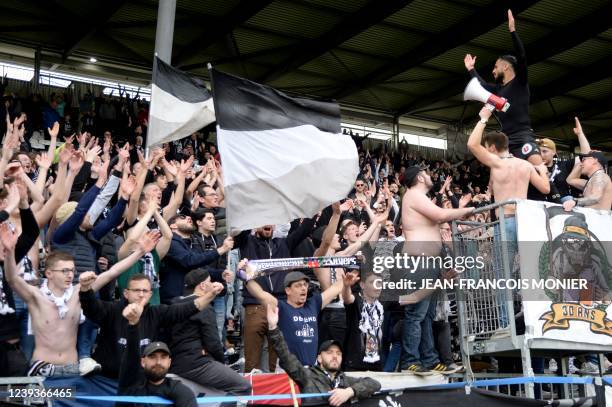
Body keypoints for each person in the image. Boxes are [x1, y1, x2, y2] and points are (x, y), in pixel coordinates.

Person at [78, 235, 224, 379]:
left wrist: (210, 295)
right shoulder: (112, 310)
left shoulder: (157, 313)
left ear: (150, 294)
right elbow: (90, 307)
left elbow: (190, 307)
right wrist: (85, 288)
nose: (141, 295)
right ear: (126, 293)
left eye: (145, 291)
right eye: (136, 290)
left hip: (142, 381)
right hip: (107, 379)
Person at [468, 105, 550, 335]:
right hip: (525, 222)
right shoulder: (524, 164)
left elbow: (471, 145)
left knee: (502, 276)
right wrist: (542, 169)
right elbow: (545, 187)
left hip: (505, 223)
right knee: (529, 273)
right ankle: (535, 322)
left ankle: (506, 325)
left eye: (487, 149)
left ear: (492, 148)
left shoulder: (497, 163)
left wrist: (483, 118)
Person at [399, 165, 475, 375]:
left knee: (427, 315)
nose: (430, 175)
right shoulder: (413, 195)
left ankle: (429, 360)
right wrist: (467, 210)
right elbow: (441, 215)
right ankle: (410, 361)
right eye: (427, 172)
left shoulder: (418, 197)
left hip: (429, 262)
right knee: (416, 314)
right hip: (419, 261)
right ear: (420, 177)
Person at [464, 10, 542, 165]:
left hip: (523, 136)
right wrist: (471, 69)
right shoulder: (498, 90)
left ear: (506, 67)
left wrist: (513, 31)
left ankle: (554, 190)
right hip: (506, 140)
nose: (493, 71)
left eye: (495, 67)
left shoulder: (520, 82)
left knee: (537, 166)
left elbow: (522, 57)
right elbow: (482, 86)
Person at [266, 303, 381, 406]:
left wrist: (349, 392)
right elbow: (286, 357)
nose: (335, 356)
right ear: (319, 358)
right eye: (329, 352)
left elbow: (374, 383)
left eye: (338, 353)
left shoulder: (345, 380)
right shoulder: (307, 375)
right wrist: (273, 328)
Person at [243, 264, 357, 367]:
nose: (303, 288)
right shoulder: (281, 307)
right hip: (288, 370)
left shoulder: (314, 304)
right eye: (298, 285)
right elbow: (259, 293)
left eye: (305, 285)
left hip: (310, 370)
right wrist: (244, 275)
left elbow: (336, 287)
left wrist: (355, 270)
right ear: (288, 290)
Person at [169, 268, 251, 395]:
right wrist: (222, 363)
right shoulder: (205, 308)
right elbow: (213, 343)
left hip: (174, 364)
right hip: (197, 364)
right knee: (244, 386)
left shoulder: (173, 305)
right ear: (202, 286)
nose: (212, 284)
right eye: (210, 281)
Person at [117, 299, 196, 407]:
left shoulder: (179, 390)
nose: (158, 362)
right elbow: (131, 353)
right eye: (152, 357)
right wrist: (133, 324)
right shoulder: (131, 383)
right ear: (143, 362)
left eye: (163, 357)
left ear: (169, 362)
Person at [537, 117, 593, 204]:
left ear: (554, 152)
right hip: (540, 207)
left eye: (545, 151)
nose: (541, 154)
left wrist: (580, 134)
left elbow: (586, 155)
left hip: (562, 207)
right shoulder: (534, 168)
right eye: (539, 151)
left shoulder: (563, 165)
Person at [342, 272, 384, 371]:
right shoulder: (357, 300)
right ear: (362, 285)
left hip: (376, 363)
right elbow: (347, 298)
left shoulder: (381, 306)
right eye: (372, 282)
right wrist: (346, 286)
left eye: (379, 283)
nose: (377, 287)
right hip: (355, 363)